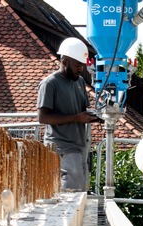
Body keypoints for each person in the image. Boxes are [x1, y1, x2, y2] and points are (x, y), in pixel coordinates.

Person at [37, 37, 101, 191]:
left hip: (78, 147)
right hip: (61, 147)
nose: (81, 69)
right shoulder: (50, 83)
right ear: (64, 61)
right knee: (71, 195)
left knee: (80, 191)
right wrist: (76, 118)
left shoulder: (79, 82)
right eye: (77, 65)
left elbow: (82, 112)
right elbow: (43, 117)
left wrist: (97, 117)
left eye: (82, 65)